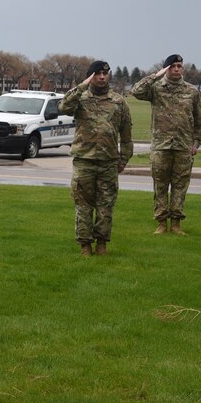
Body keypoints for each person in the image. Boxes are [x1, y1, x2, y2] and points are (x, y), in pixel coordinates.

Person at [60, 60, 133, 256]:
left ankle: (101, 244)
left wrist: (124, 159)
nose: (102, 77)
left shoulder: (118, 102)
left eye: (105, 73)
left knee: (106, 205)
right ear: (90, 76)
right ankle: (85, 245)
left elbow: (126, 135)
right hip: (84, 161)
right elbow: (63, 106)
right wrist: (82, 85)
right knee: (83, 205)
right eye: (98, 73)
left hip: (109, 162)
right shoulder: (80, 98)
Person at [130, 54, 201, 235]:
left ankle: (176, 223)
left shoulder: (192, 91)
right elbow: (136, 91)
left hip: (183, 146)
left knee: (180, 185)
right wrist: (155, 75)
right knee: (160, 185)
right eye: (172, 66)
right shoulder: (156, 88)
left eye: (179, 66)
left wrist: (196, 142)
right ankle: (162, 222)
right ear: (166, 69)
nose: (177, 69)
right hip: (161, 145)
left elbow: (198, 120)